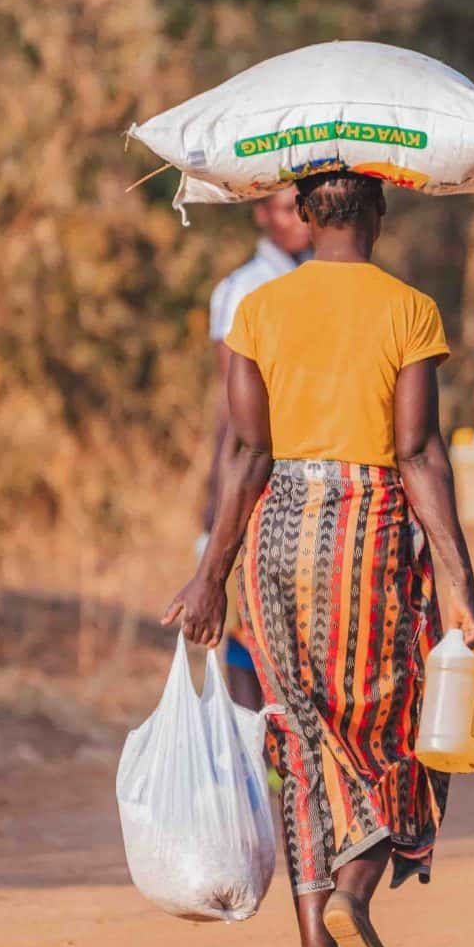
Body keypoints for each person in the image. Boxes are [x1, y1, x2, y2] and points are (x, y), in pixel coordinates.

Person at [166, 170, 474, 947]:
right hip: (367, 529)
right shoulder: (409, 309)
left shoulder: (258, 311)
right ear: (378, 212)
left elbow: (244, 455)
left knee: (301, 743)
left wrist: (211, 572)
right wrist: (458, 575)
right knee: (393, 730)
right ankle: (353, 892)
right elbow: (418, 454)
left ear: (304, 214)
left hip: (276, 537)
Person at [202, 185, 311, 709]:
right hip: (259, 464)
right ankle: (257, 750)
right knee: (248, 621)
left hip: (309, 462)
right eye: (289, 209)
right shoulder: (242, 289)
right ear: (261, 213)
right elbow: (235, 408)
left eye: (305, 207)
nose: (301, 220)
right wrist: (220, 491)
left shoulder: (323, 280)